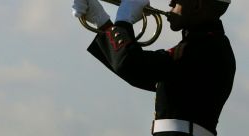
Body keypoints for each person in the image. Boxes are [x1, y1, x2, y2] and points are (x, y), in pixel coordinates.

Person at [72, 0, 236, 135]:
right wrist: (102, 21)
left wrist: (124, 19)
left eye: (176, 0)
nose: (170, 3)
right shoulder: (203, 45)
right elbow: (139, 71)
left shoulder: (204, 48)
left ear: (197, 5)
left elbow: (131, 65)